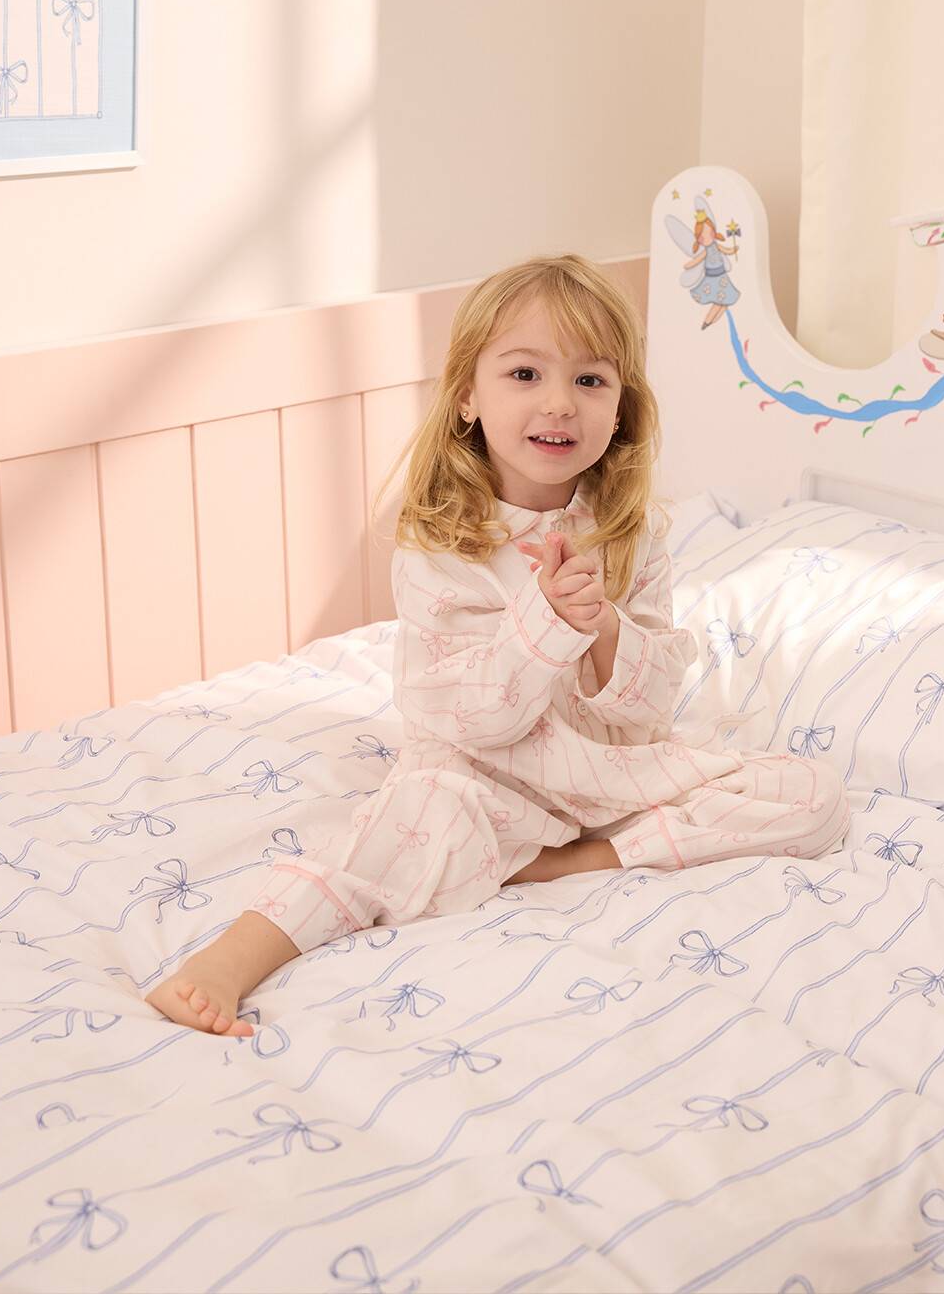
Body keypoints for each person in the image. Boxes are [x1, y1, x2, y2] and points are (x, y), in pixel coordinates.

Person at [146, 254, 850, 1037]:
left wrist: (605, 627)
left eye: (590, 380)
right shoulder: (438, 544)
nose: (560, 402)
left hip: (607, 773)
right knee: (400, 827)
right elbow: (469, 721)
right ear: (466, 398)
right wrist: (545, 625)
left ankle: (563, 865)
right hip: (484, 773)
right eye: (524, 374)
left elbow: (649, 713)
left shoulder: (634, 532)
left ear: (622, 409)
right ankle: (234, 956)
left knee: (811, 797)